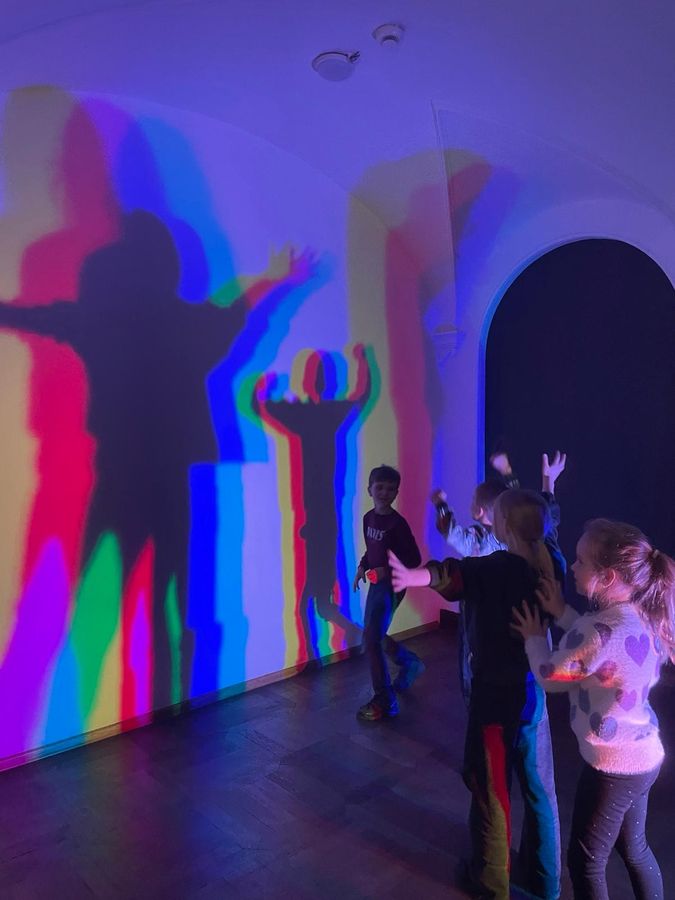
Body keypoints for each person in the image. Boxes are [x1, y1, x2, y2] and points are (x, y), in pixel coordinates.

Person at [390, 489, 561, 900]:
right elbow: (458, 571)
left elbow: (451, 575)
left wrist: (412, 577)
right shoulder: (552, 562)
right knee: (540, 791)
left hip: (493, 700)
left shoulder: (493, 568)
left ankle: (491, 883)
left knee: (492, 792)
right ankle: (546, 881)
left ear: (501, 527)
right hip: (533, 697)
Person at [513, 519, 673, 900]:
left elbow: (552, 676)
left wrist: (534, 639)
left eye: (581, 561)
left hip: (613, 767)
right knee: (635, 849)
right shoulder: (642, 615)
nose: (572, 567)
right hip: (645, 756)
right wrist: (561, 611)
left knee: (585, 861)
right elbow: (598, 645)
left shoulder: (600, 633)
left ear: (607, 577)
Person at [431, 451, 567, 705]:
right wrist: (516, 474)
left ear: (479, 511)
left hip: (493, 643)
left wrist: (440, 504)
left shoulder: (481, 543)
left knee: (494, 692)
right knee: (530, 693)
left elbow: (451, 535)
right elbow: (534, 511)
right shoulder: (543, 548)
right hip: (533, 648)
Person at [353, 464, 424, 721]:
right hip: (376, 584)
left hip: (393, 586)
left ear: (396, 493)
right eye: (380, 487)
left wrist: (386, 571)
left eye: (390, 489)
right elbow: (372, 551)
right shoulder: (368, 519)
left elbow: (413, 559)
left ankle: (385, 700)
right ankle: (410, 663)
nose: (384, 493)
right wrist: (362, 567)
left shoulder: (398, 524)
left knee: (371, 639)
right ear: (369, 489)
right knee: (374, 635)